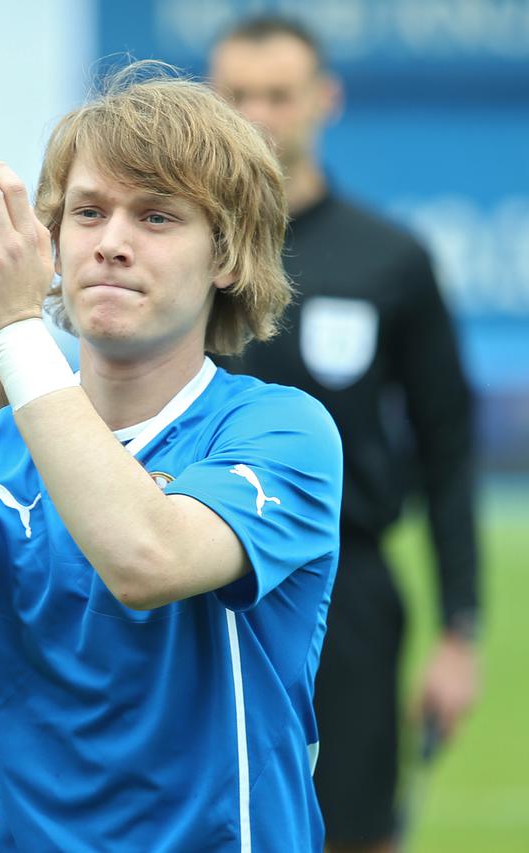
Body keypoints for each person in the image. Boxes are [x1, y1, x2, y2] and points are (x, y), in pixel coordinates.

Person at [0, 61, 346, 851]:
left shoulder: (282, 430)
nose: (112, 243)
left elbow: (146, 558)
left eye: (158, 217)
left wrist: (16, 337)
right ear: (53, 244)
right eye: (89, 212)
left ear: (228, 257)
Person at [209, 17, 481, 852]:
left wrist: (458, 631)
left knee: (351, 830)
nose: (259, 115)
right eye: (238, 96)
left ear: (325, 100)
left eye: (279, 95)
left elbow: (447, 444)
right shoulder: (179, 248)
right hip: (191, 574)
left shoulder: (389, 258)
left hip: (343, 586)